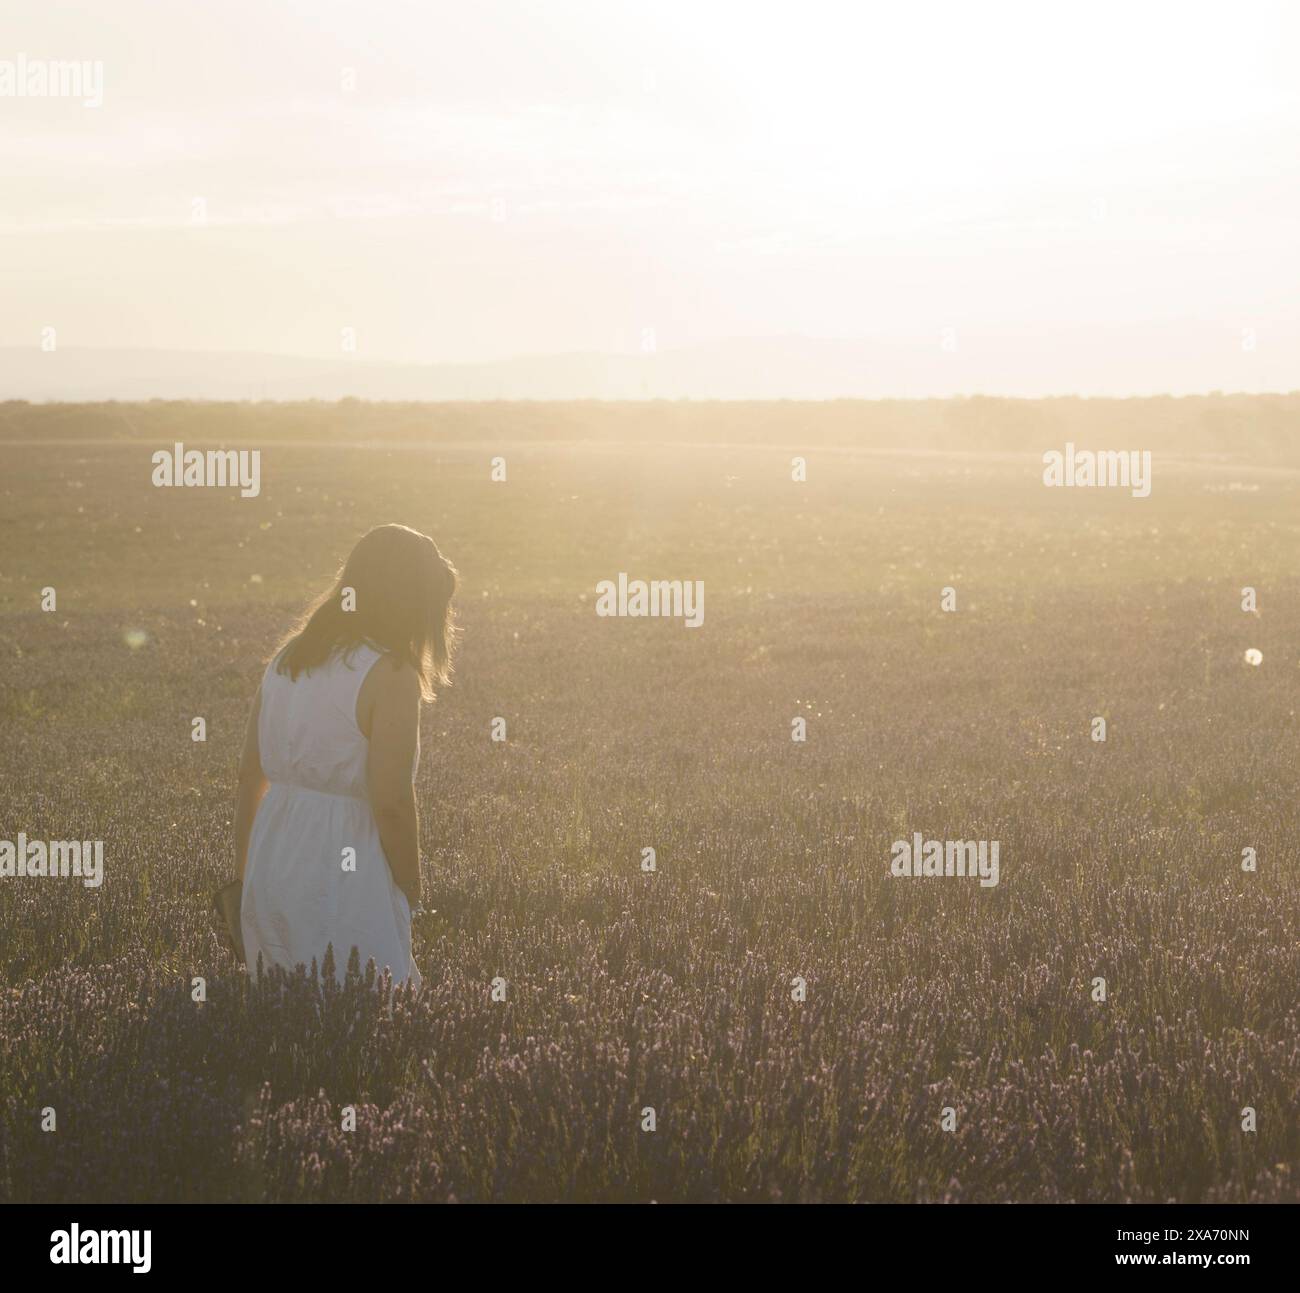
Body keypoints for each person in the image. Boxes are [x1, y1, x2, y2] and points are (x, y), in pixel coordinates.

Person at [232, 524, 457, 986]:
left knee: (282, 1013)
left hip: (273, 855)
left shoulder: (287, 660)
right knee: (370, 1007)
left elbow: (250, 777)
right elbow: (391, 800)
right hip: (347, 863)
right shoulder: (391, 673)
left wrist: (246, 875)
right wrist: (409, 886)